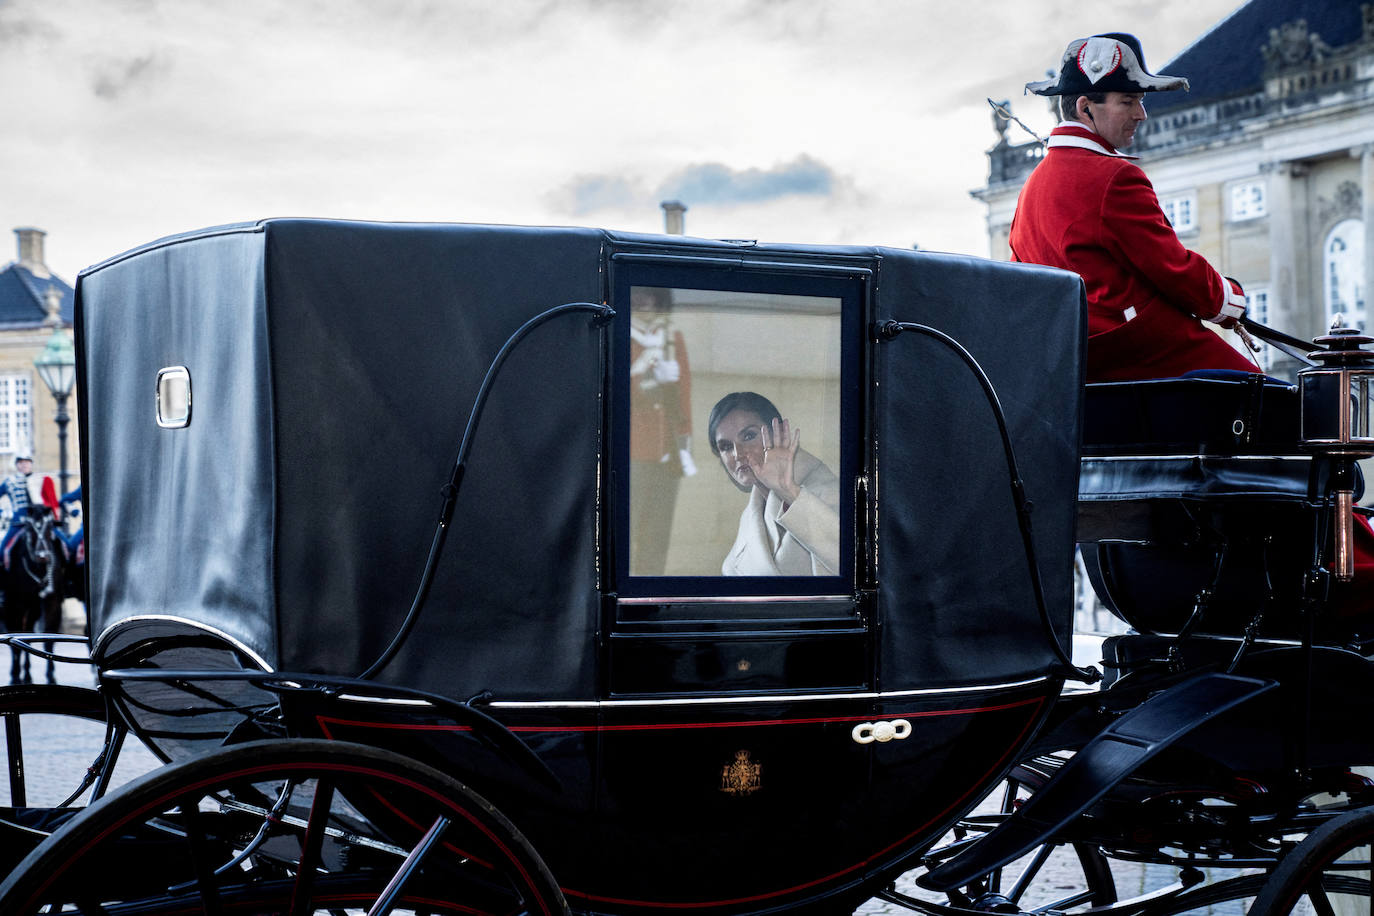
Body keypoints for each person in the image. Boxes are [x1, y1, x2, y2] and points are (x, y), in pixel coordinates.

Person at [1010, 32, 1261, 383]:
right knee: (1268, 400)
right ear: (1085, 108)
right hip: (1134, 348)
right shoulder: (1115, 176)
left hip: (1072, 361)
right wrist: (1229, 301)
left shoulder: (1031, 186)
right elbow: (1171, 267)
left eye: (1140, 101)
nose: (1141, 114)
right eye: (1128, 101)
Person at [708, 392, 839, 576]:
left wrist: (789, 492)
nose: (738, 454)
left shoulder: (829, 491)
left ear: (780, 433)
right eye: (726, 447)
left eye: (748, 436)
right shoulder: (749, 522)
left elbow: (857, 565)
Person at [629, 287, 696, 575]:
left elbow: (683, 396)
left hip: (667, 451)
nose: (644, 302)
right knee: (626, 530)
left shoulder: (671, 338)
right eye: (638, 296)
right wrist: (647, 378)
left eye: (649, 295)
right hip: (632, 450)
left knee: (657, 535)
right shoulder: (622, 335)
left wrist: (684, 445)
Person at [0, 454, 34, 570]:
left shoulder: (40, 479)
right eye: (21, 462)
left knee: (66, 545)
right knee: (3, 549)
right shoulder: (10, 482)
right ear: (17, 465)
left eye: (27, 462)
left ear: (31, 464)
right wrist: (3, 513)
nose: (24, 465)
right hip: (19, 523)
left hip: (39, 522)